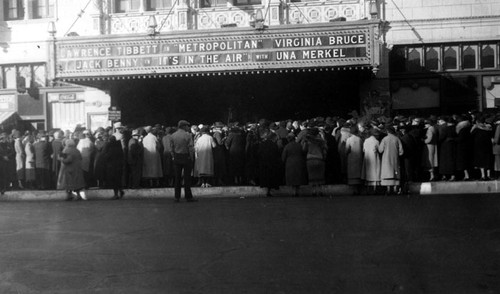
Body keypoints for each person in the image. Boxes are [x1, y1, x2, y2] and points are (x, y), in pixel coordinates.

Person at [170, 120, 197, 202]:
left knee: (177, 178)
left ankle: (176, 197)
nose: (188, 128)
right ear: (184, 126)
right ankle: (188, 196)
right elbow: (190, 148)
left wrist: (173, 156)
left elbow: (171, 148)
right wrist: (191, 157)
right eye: (187, 126)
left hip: (177, 157)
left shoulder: (173, 135)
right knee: (187, 178)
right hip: (186, 157)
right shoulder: (187, 135)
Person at [378, 126, 404, 195]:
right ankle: (395, 189)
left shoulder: (384, 139)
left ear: (387, 132)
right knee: (395, 174)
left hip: (386, 160)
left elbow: (380, 150)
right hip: (395, 160)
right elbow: (401, 152)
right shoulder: (397, 139)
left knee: (387, 174)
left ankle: (388, 189)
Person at [303, 127, 328, 196]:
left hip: (310, 159)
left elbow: (304, 149)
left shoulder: (307, 141)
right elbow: (325, 149)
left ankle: (313, 191)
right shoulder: (321, 141)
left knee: (312, 176)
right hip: (319, 159)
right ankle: (320, 190)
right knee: (320, 176)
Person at [257, 130, 282, 197]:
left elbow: (259, 153)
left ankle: (267, 190)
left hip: (264, 163)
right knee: (271, 177)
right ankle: (269, 190)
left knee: (265, 177)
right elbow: (277, 154)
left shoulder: (262, 144)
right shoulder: (274, 145)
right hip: (272, 163)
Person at [362, 128, 381, 194]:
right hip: (375, 159)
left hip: (367, 159)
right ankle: (375, 189)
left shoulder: (366, 141)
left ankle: (368, 190)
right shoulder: (376, 141)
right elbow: (380, 150)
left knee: (368, 175)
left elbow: (363, 150)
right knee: (375, 174)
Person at [345, 125, 363, 194]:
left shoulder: (349, 139)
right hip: (359, 158)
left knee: (352, 174)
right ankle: (358, 190)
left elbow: (346, 150)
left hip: (351, 158)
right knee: (358, 174)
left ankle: (354, 190)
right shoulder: (360, 139)